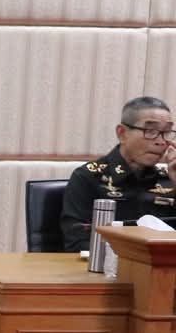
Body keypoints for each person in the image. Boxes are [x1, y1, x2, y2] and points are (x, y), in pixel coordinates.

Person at [61, 96, 176, 251]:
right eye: (151, 131)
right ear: (122, 134)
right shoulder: (89, 177)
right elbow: (77, 242)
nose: (161, 141)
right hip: (108, 263)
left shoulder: (168, 178)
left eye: (167, 132)